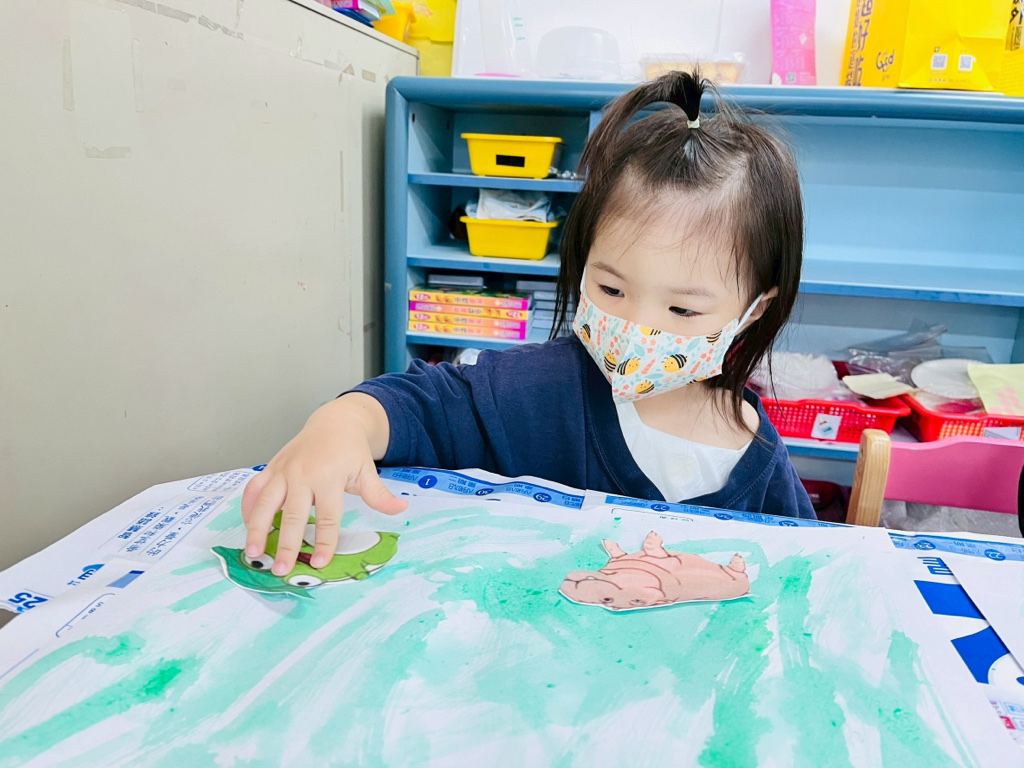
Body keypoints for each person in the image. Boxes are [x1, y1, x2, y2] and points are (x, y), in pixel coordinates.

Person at [242, 70, 815, 577]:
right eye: (610, 289)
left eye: (683, 310)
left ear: (754, 310)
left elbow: (807, 568)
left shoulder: (759, 463)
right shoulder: (533, 391)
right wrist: (339, 426)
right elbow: (418, 405)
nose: (635, 327)